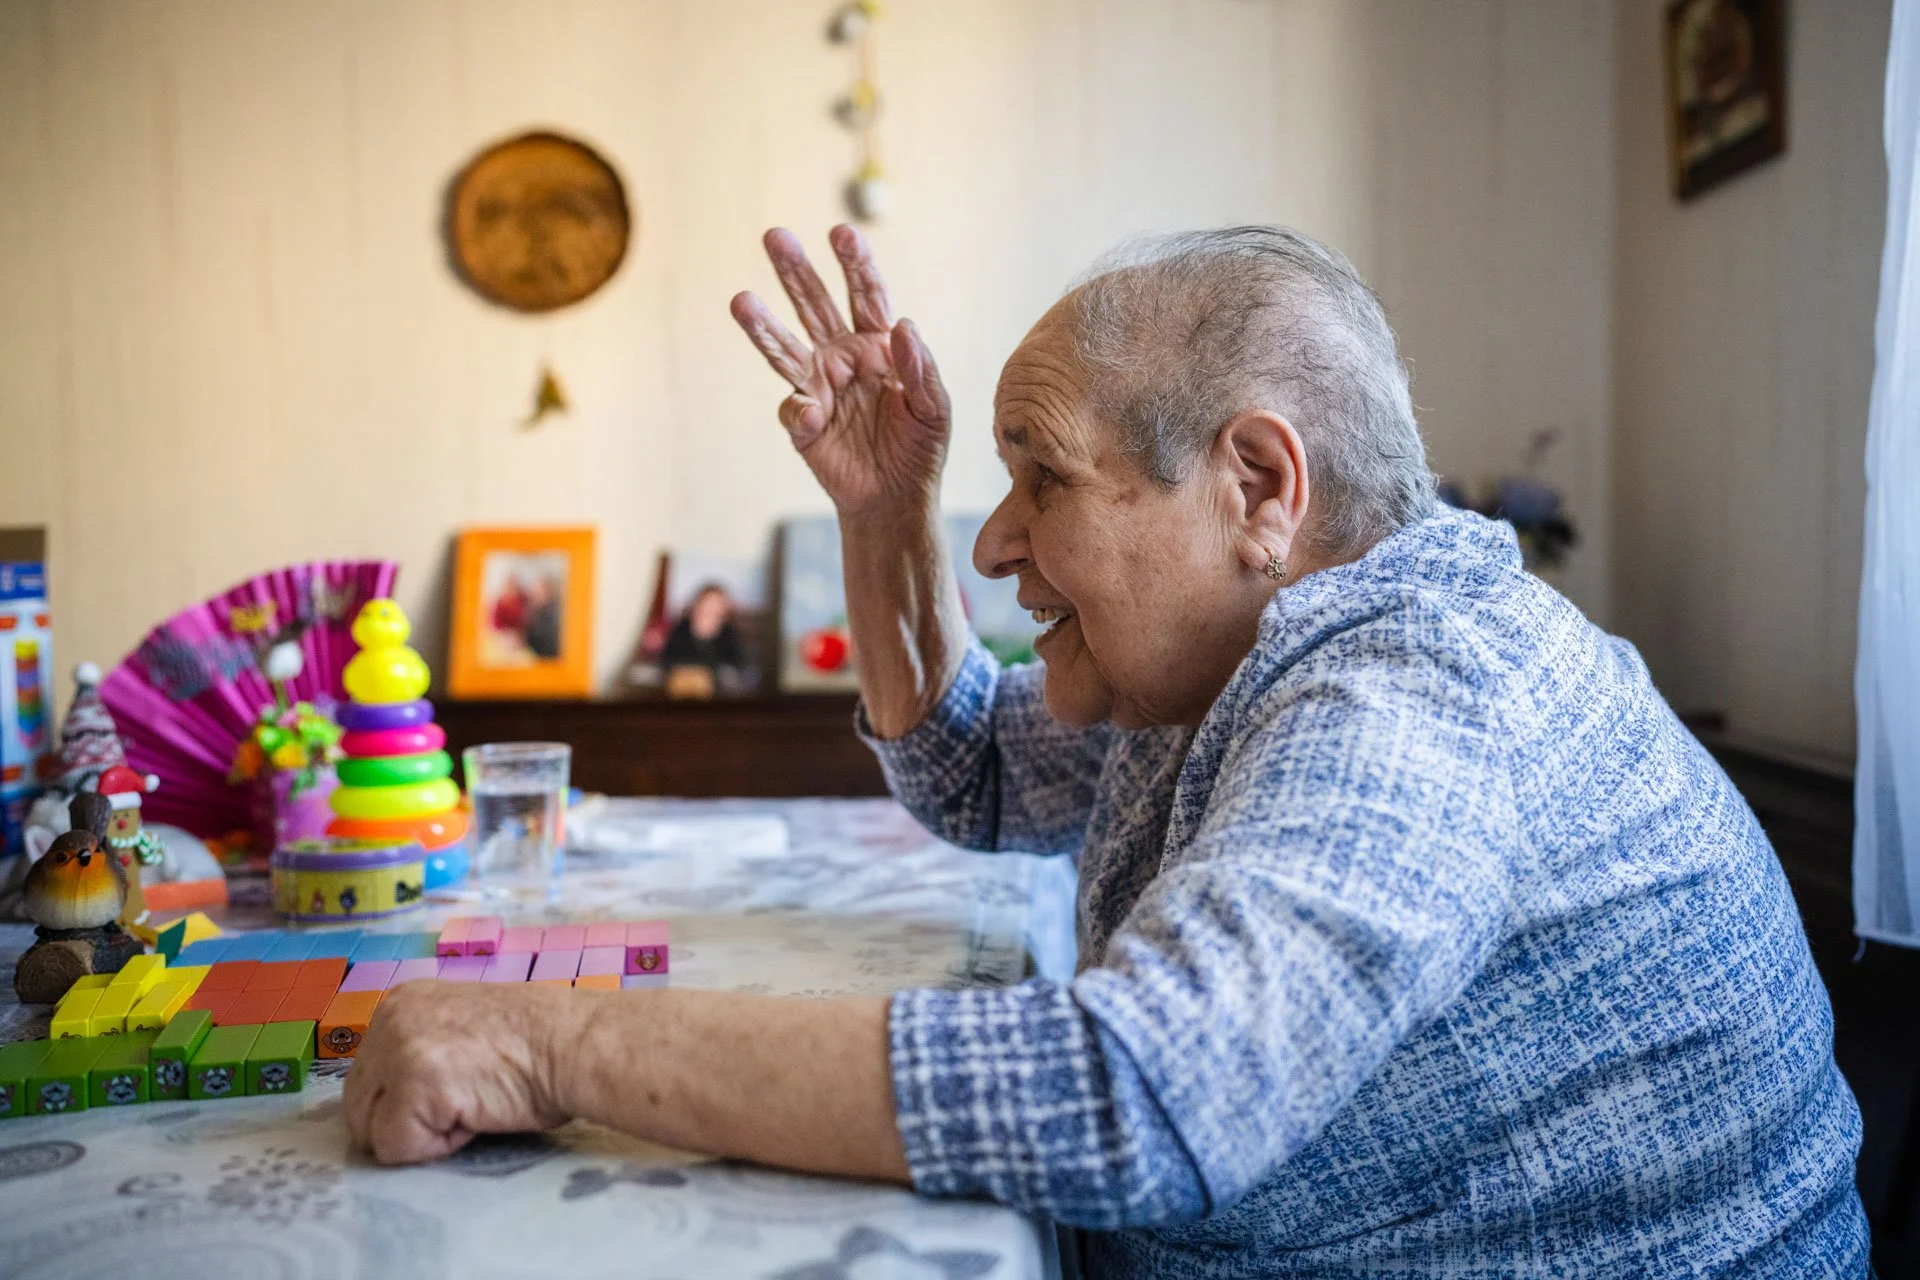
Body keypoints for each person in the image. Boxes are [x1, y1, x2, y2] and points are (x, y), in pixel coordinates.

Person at [346, 224, 1869, 1276]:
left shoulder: (1423, 688)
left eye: (1041, 479)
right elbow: (980, 770)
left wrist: (546, 1040)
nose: (997, 539)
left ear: (1258, 486)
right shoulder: (1222, 655)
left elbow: (1137, 1095)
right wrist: (885, 515)